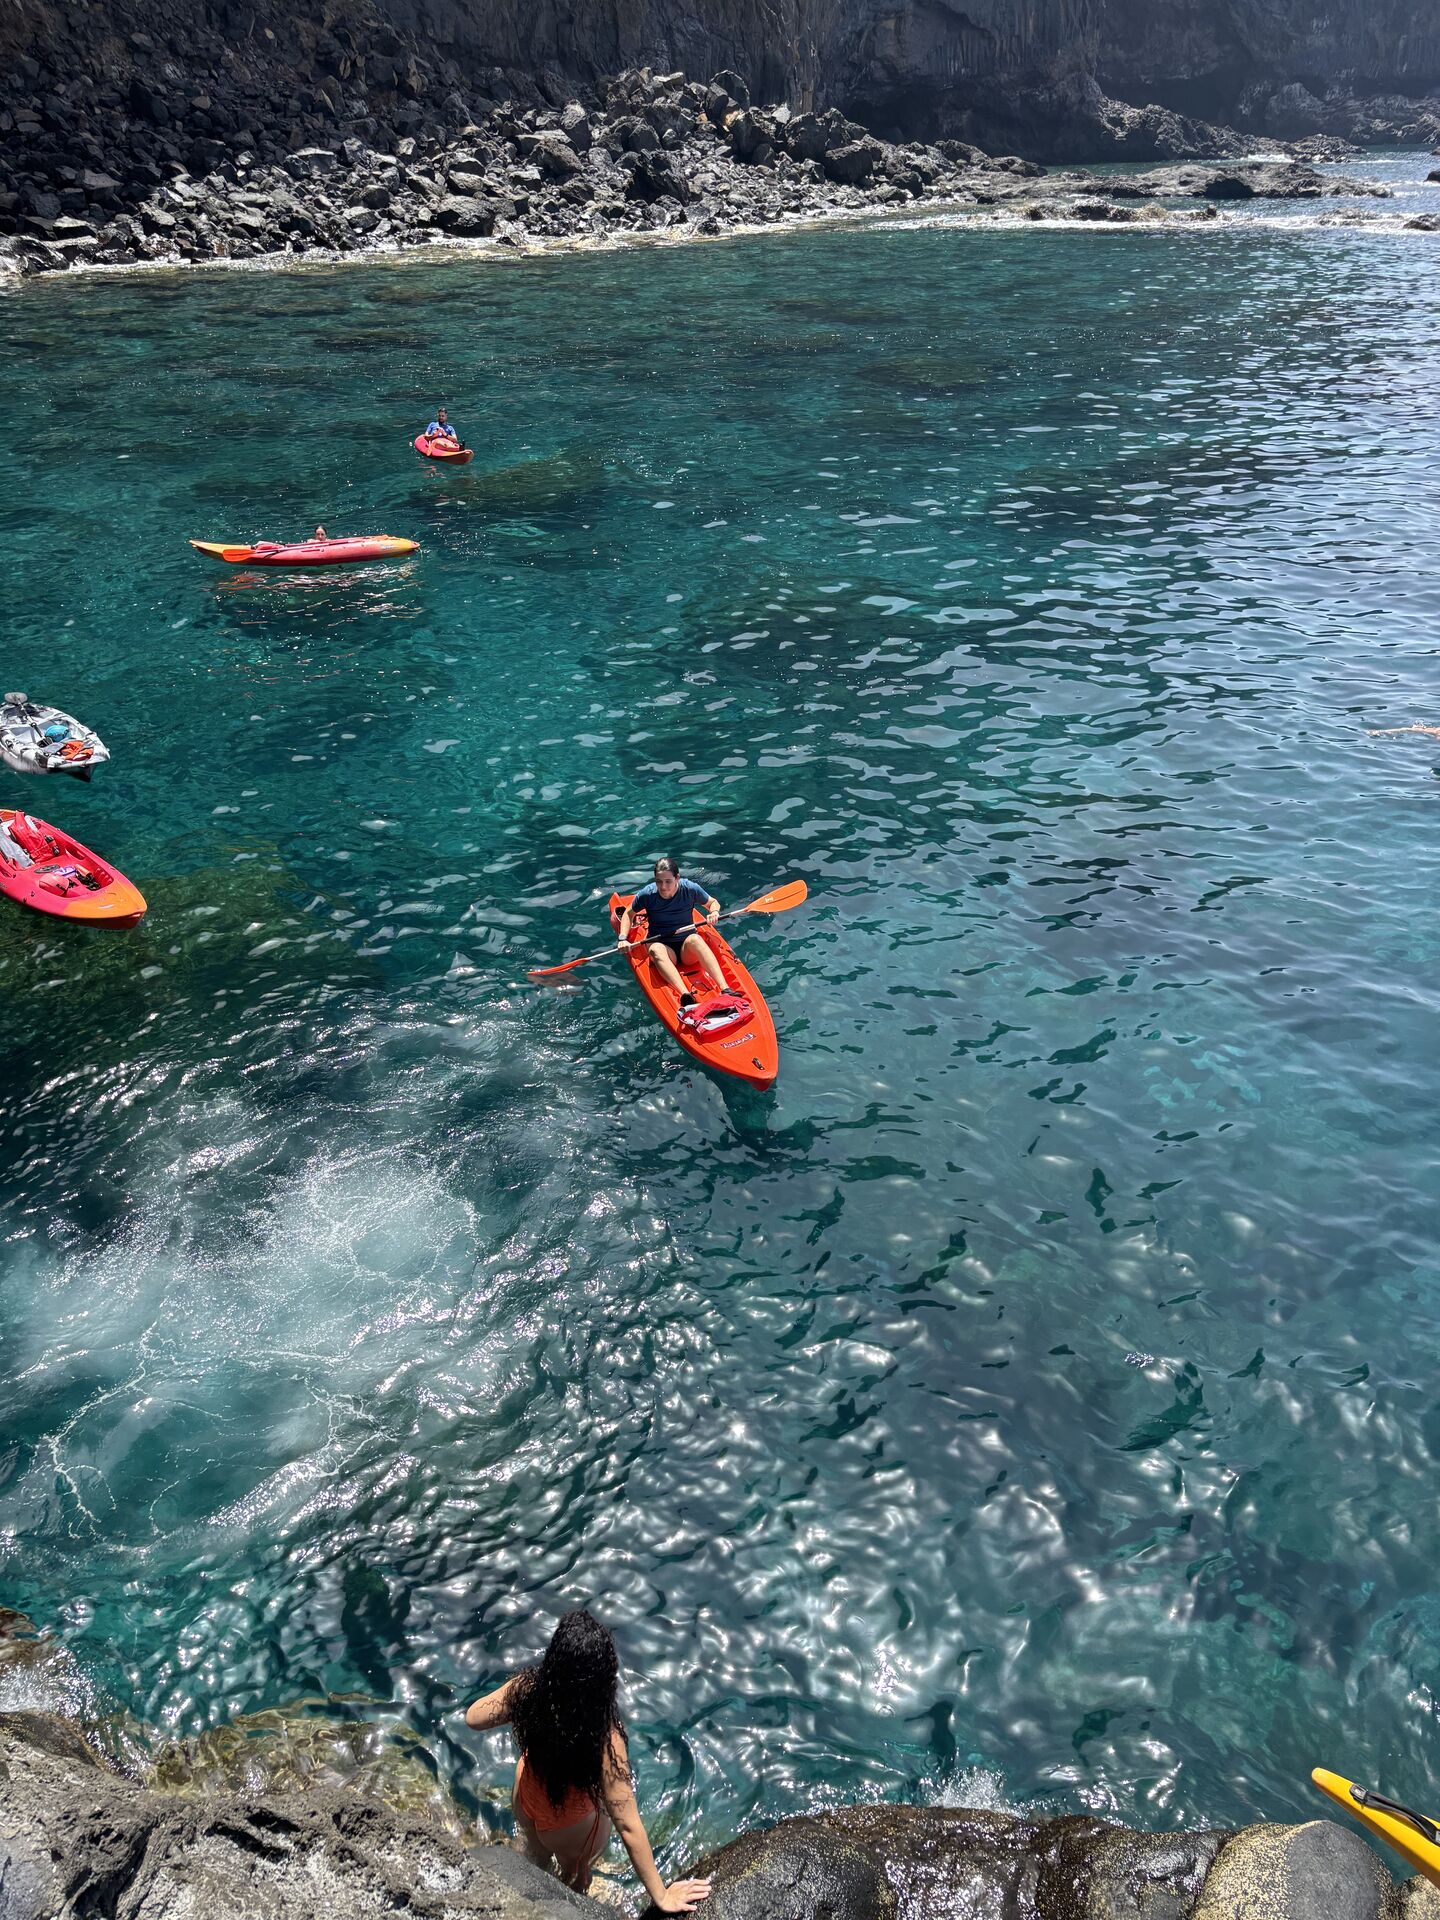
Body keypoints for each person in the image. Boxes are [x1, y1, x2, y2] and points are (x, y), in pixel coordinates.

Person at [464, 1610, 711, 1914]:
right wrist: (661, 1895)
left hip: (525, 1798)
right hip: (569, 1828)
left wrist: (515, 1694)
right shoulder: (605, 1739)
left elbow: (473, 1718)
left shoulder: (527, 1691)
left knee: (536, 1858)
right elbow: (628, 1824)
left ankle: (527, 1881)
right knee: (575, 1878)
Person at [618, 857, 727, 1006]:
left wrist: (714, 912)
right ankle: (685, 996)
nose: (663, 887)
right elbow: (628, 913)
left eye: (668, 881)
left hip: (686, 949)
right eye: (659, 881)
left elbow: (713, 903)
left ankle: (725, 989)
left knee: (695, 939)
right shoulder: (647, 894)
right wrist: (622, 938)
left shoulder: (690, 889)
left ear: (677, 878)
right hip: (663, 947)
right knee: (655, 948)